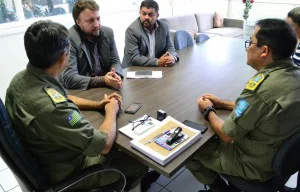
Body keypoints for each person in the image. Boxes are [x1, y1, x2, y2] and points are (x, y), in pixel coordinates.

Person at [5, 20, 149, 191]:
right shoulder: (53, 109)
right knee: (138, 161)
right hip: (70, 171)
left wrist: (98, 104)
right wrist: (111, 111)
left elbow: (63, 97)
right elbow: (102, 145)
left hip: (43, 153)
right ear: (62, 57)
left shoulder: (21, 79)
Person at [186, 18, 300, 192]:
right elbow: (262, 109)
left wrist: (208, 110)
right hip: (278, 156)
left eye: (250, 42)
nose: (247, 47)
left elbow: (227, 135)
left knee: (190, 149)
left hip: (255, 166)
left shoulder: (261, 89)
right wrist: (223, 103)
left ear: (264, 51)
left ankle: (219, 188)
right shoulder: (295, 74)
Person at [61, 0, 122, 90]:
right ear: (78, 22)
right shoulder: (69, 39)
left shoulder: (108, 32)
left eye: (98, 18)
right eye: (91, 20)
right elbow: (69, 78)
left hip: (107, 87)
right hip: (83, 91)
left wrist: (115, 74)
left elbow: (116, 61)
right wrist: (103, 80)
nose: (97, 24)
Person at [122, 0, 179, 68]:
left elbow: (170, 48)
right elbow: (135, 58)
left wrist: (172, 57)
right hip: (134, 69)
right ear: (139, 13)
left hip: (155, 68)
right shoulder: (132, 30)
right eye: (143, 14)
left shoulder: (164, 27)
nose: (146, 17)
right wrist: (157, 62)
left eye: (150, 14)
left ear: (157, 15)